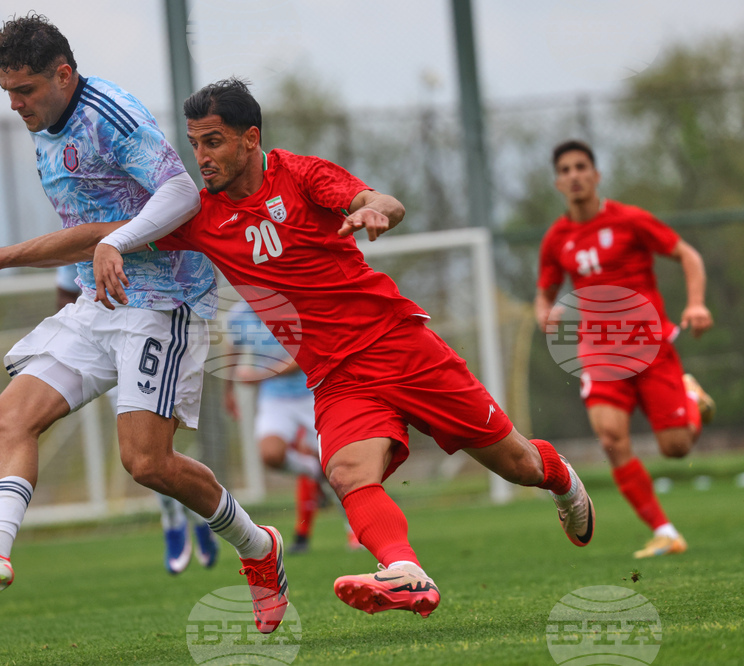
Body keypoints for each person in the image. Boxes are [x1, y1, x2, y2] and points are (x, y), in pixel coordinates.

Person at [91, 78, 596, 619]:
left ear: (250, 139)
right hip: (337, 377)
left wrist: (375, 211)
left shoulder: (301, 174)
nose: (201, 157)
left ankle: (562, 479)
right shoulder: (202, 215)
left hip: (399, 344)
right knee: (348, 473)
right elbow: (123, 229)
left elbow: (382, 201)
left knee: (517, 464)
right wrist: (28, 255)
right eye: (194, 144)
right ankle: (405, 571)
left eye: (212, 141)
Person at [0, 16, 287, 634]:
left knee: (146, 463)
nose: (16, 104)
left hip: (163, 302)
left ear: (63, 74)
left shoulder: (110, 111)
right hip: (98, 301)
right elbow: (85, 229)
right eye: (8, 92)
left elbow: (181, 195)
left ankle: (258, 547)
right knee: (7, 418)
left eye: (25, 90)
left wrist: (12, 255)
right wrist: (42, 262)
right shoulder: (45, 126)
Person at [535, 140, 715, 559]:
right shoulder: (556, 239)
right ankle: (665, 531)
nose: (574, 175)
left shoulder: (630, 220)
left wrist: (697, 302)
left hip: (650, 346)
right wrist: (545, 313)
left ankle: (689, 397)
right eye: (565, 169)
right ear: (558, 182)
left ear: (596, 176)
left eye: (582, 167)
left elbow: (687, 255)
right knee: (612, 439)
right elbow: (543, 294)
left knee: (676, 449)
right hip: (600, 354)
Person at [59, 264, 219, 573]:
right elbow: (65, 291)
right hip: (108, 349)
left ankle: (203, 513)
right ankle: (174, 517)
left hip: (157, 336)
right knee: (141, 456)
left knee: (161, 450)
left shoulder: (143, 221)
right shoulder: (79, 231)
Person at [223, 299, 357, 554]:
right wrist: (228, 390)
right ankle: (313, 469)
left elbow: (303, 357)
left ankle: (355, 531)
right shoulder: (237, 315)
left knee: (337, 466)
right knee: (270, 454)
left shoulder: (291, 305)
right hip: (274, 398)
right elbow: (233, 351)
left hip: (313, 394)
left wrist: (260, 375)